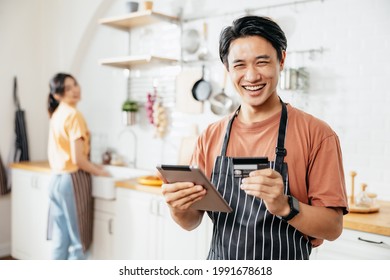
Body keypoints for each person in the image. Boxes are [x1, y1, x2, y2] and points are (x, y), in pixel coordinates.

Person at [161, 16, 348, 260]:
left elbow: (333, 227)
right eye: (239, 65)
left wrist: (284, 205)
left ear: (281, 59)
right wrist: (177, 207)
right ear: (227, 69)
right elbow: (191, 221)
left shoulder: (318, 135)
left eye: (262, 62)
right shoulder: (210, 136)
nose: (251, 76)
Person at [46, 73, 110, 259]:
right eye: (67, 88)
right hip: (72, 182)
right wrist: (99, 171)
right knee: (78, 243)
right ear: (57, 95)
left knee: (60, 240)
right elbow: (78, 160)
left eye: (74, 84)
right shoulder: (74, 115)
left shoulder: (57, 113)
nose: (74, 90)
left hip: (56, 180)